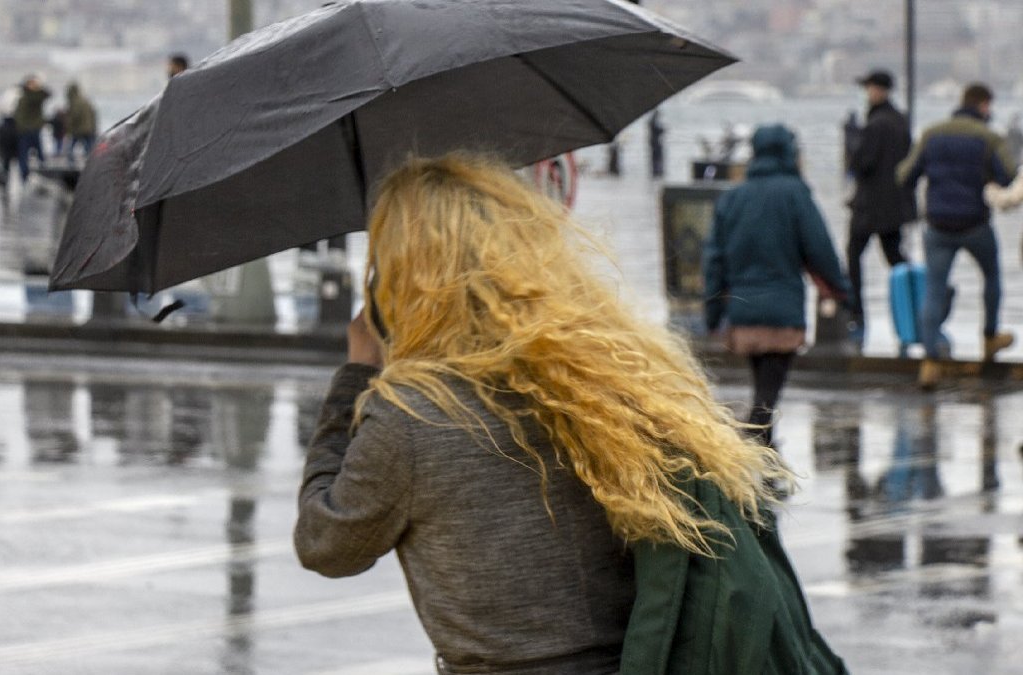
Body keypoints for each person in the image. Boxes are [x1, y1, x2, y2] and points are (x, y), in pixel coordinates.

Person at [296, 154, 846, 674]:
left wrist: (356, 375)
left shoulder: (414, 416)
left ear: (400, 278)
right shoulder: (597, 375)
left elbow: (327, 544)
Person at [704, 125, 851, 449]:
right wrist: (842, 290)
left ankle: (762, 433)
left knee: (763, 378)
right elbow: (819, 247)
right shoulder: (795, 193)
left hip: (742, 307)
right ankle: (759, 431)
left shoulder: (733, 197)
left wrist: (712, 311)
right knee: (771, 380)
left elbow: (714, 259)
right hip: (783, 305)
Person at [898, 83, 1018, 387]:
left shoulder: (932, 133)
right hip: (975, 223)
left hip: (937, 224)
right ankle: (990, 338)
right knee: (991, 278)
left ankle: (930, 361)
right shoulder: (989, 137)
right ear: (984, 105)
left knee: (934, 290)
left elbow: (905, 175)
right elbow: (1007, 175)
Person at [845, 70, 916, 346]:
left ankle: (856, 312)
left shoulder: (875, 124)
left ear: (879, 90)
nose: (867, 93)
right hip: (895, 206)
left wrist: (852, 141)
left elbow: (862, 163)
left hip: (869, 206)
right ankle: (913, 306)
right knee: (895, 257)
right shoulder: (900, 121)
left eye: (870, 88)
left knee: (853, 255)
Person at [14, 75, 51, 182]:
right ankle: (24, 178)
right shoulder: (23, 98)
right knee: (24, 155)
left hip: (34, 129)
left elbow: (48, 94)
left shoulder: (38, 97)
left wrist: (39, 88)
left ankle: (44, 176)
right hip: (24, 130)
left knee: (40, 154)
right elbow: (18, 114)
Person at [0, 84, 21, 181]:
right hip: (17, 126)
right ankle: (23, 180)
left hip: (6, 127)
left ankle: (4, 181)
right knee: (20, 157)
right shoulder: (20, 95)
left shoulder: (5, 95)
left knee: (5, 159)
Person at [64, 82, 97, 161]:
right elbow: (93, 114)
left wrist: (69, 127)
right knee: (89, 147)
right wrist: (93, 127)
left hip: (79, 129)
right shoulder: (85, 101)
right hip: (88, 128)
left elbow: (74, 116)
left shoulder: (74, 102)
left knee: (72, 146)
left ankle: (70, 161)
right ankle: (92, 161)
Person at [647, 109, 665, 178]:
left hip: (653, 142)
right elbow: (657, 130)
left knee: (655, 157)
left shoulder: (652, 121)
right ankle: (657, 171)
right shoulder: (653, 122)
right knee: (657, 157)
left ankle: (656, 171)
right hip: (655, 142)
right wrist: (662, 130)